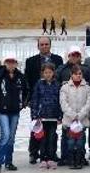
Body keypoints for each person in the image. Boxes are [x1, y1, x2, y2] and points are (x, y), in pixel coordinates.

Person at [24, 36, 64, 164]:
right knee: (36, 129)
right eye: (42, 44)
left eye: (46, 44)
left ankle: (51, 154)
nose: (44, 46)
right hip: (38, 101)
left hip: (52, 104)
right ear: (38, 46)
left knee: (52, 133)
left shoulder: (58, 59)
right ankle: (34, 153)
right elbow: (27, 81)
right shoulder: (31, 61)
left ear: (50, 45)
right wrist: (30, 99)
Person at [0, 54, 28, 173]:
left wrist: (23, 104)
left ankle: (9, 162)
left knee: (11, 138)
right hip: (2, 111)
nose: (11, 64)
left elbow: (27, 90)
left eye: (13, 62)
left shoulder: (20, 76)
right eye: (8, 62)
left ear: (16, 63)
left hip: (15, 111)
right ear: (4, 63)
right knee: (5, 135)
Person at [60, 65, 90, 170]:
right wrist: (73, 115)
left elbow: (89, 102)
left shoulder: (87, 87)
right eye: (76, 74)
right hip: (70, 120)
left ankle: (79, 160)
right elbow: (63, 103)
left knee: (80, 142)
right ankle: (71, 160)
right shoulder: (65, 87)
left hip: (81, 120)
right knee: (70, 142)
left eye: (80, 74)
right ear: (71, 75)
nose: (78, 76)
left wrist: (80, 115)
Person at [30, 62, 60, 169]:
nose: (48, 74)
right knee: (43, 138)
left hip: (53, 116)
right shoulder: (39, 84)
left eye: (50, 72)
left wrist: (59, 116)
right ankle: (43, 158)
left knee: (52, 137)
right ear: (42, 73)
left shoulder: (57, 84)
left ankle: (51, 158)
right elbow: (35, 100)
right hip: (41, 116)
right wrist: (34, 115)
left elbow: (59, 100)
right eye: (45, 72)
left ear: (53, 73)